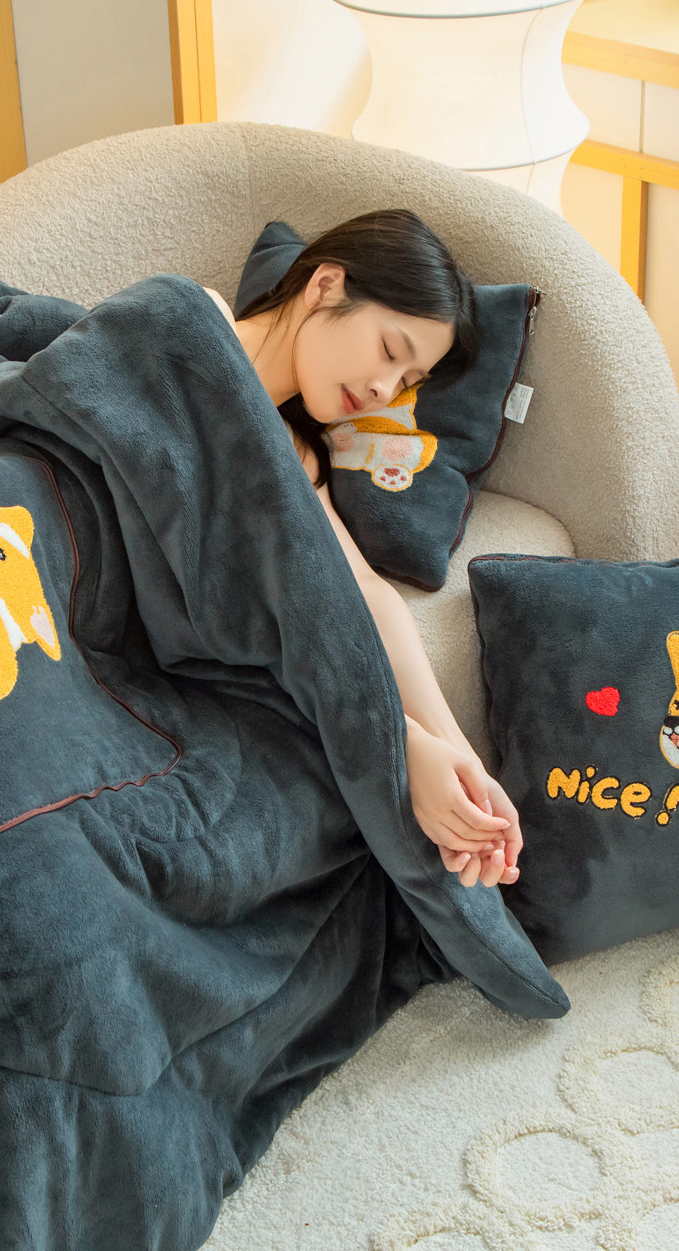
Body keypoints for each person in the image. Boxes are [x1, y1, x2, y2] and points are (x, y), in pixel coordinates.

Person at [203, 209, 522, 890]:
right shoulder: (194, 321)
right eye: (388, 349)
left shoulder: (297, 458)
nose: (383, 390)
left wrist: (462, 759)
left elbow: (365, 593)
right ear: (324, 286)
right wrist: (398, 740)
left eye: (406, 382)